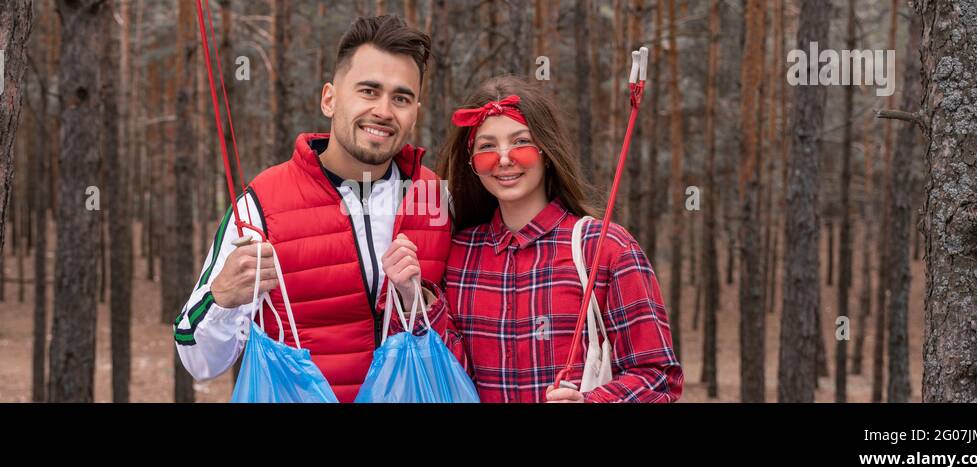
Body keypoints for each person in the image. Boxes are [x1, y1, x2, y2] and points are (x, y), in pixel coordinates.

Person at [173, 15, 452, 403]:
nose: (384, 111)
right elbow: (199, 360)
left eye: (400, 98)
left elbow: (469, 334)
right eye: (368, 91)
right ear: (329, 99)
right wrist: (221, 298)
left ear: (415, 113)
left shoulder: (436, 198)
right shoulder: (262, 204)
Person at [381, 75, 683, 403]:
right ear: (472, 164)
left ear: (546, 151)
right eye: (486, 147)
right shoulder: (460, 253)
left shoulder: (605, 248)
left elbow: (659, 377)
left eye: (520, 142)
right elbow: (448, 376)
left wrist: (592, 401)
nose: (505, 158)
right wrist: (414, 301)